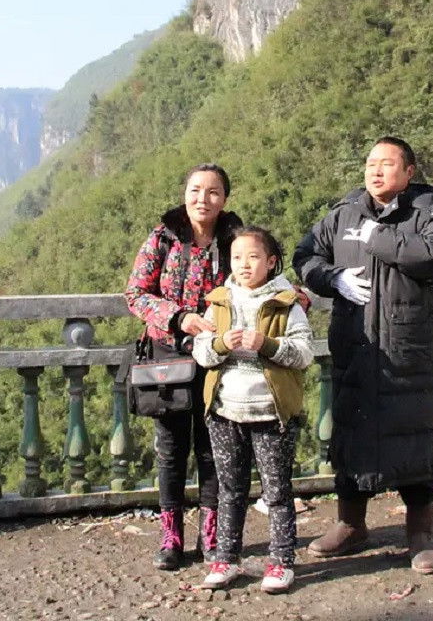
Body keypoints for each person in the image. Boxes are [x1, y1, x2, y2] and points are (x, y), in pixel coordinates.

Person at [292, 136, 433, 574]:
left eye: (387, 164)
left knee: (417, 435)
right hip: (358, 348)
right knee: (351, 436)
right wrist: (331, 278)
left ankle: (420, 533)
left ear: (409, 172)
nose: (376, 171)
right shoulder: (343, 213)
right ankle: (351, 524)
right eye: (370, 164)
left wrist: (380, 238)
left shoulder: (428, 212)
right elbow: (304, 256)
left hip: (409, 350)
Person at [124, 163, 243, 570]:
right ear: (184, 193)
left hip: (219, 357)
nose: (202, 199)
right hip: (168, 356)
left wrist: (290, 295)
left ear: (224, 199)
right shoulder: (164, 237)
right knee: (171, 448)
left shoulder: (234, 239)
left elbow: (258, 277)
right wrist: (178, 317)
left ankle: (211, 534)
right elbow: (136, 293)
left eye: (212, 192)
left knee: (214, 448)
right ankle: (171, 535)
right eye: (195, 190)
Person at [192, 227, 313, 594]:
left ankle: (280, 562)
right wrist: (219, 343)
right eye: (237, 258)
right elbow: (201, 352)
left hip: (271, 412)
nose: (244, 265)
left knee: (276, 491)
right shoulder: (219, 301)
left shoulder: (286, 303)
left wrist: (267, 345)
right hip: (226, 410)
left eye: (254, 257)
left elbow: (304, 354)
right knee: (230, 490)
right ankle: (226, 559)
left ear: (271, 262)